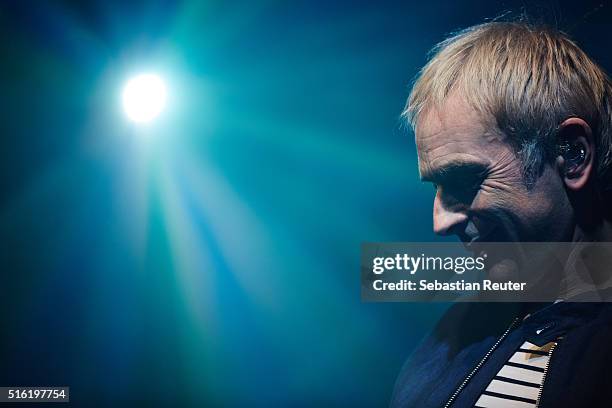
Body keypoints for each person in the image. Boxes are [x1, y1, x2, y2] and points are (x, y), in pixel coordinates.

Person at [391, 20, 612, 407]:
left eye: (464, 179)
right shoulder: (451, 335)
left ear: (573, 155)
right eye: (436, 187)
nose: (439, 223)